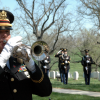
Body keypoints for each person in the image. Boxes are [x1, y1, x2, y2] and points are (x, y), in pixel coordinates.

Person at [0, 10, 52, 100]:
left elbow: (46, 91)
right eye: (0, 32)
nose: (5, 35)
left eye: (7, 32)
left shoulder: (18, 60)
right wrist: (2, 58)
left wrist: (32, 66)